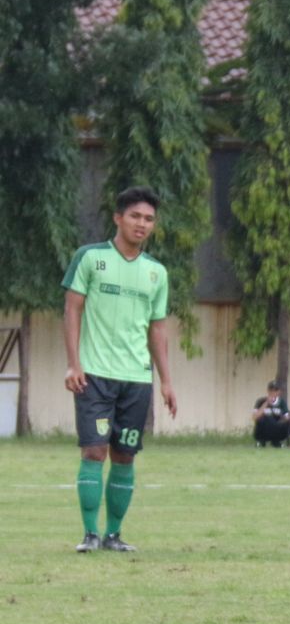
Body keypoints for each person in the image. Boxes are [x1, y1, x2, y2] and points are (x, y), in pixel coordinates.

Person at [62, 186, 178, 553]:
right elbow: (72, 309)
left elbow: (157, 329)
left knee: (125, 455)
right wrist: (73, 364)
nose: (142, 224)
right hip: (94, 374)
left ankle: (113, 535)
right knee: (94, 451)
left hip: (136, 379)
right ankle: (89, 534)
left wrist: (167, 381)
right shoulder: (90, 258)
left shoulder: (156, 273)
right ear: (118, 218)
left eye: (148, 219)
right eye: (135, 216)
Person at [252, 380, 290, 447]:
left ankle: (276, 441)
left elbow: (286, 416)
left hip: (276, 427)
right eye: (271, 390)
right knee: (264, 419)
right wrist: (266, 403)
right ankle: (261, 441)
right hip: (264, 428)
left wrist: (288, 417)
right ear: (268, 391)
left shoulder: (282, 403)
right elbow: (254, 417)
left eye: (276, 390)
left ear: (279, 392)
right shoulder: (260, 401)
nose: (273, 392)